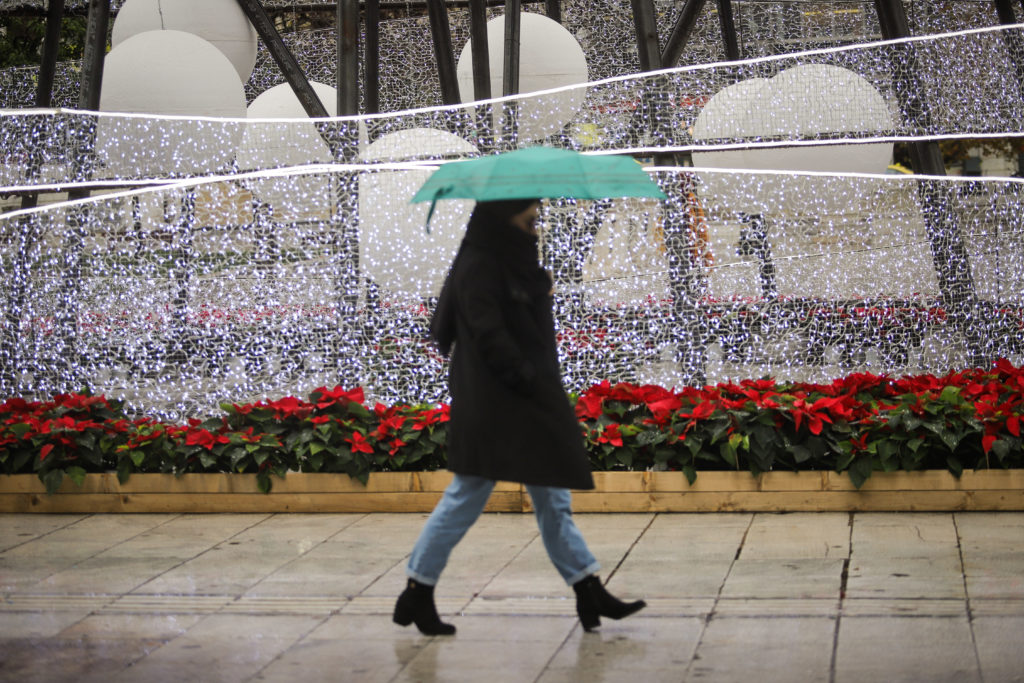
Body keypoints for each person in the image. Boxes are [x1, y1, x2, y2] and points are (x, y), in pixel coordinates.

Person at [392, 198, 646, 636]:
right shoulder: (480, 264)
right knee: (466, 497)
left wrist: (536, 291)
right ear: (501, 218)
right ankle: (417, 590)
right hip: (497, 405)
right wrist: (527, 377)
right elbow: (487, 333)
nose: (534, 230)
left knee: (553, 500)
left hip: (525, 402)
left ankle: (589, 591)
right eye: (528, 221)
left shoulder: (511, 262)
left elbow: (518, 324)